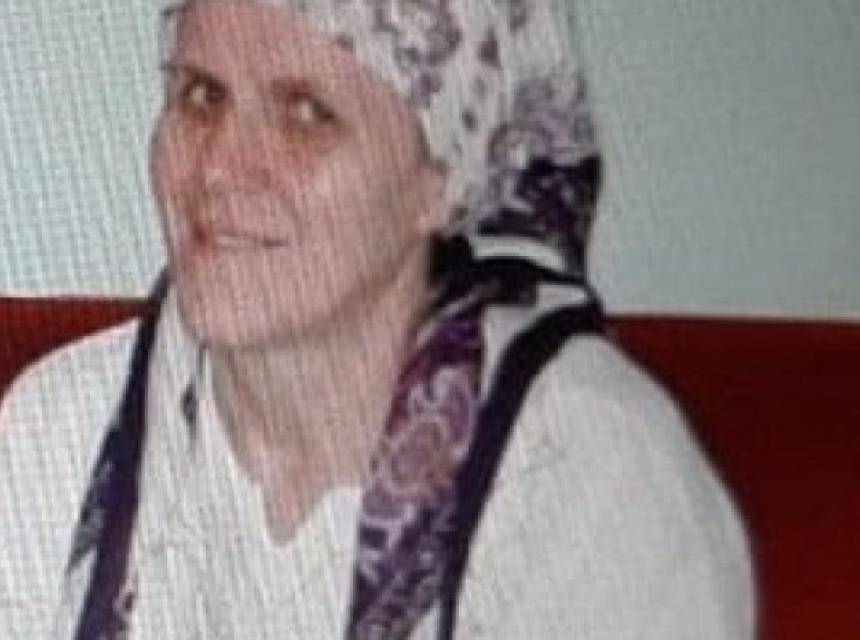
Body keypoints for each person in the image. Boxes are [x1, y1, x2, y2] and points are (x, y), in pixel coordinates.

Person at [0, 0, 757, 638]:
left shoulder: (587, 479)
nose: (220, 166)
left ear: (445, 178)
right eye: (202, 95)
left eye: (306, 113)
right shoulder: (55, 431)